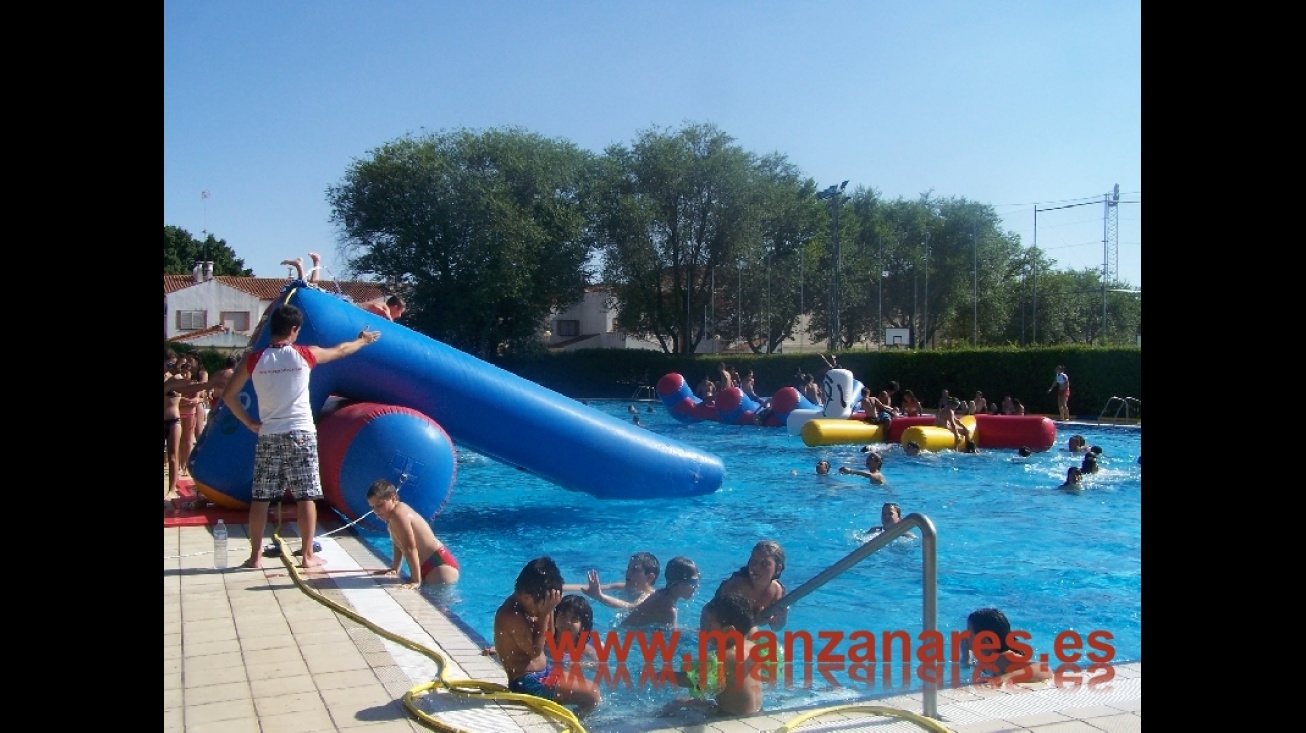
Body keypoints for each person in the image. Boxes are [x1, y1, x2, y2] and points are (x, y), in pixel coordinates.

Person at [222, 304, 382, 569]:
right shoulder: (304, 354)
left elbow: (228, 395)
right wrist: (362, 341)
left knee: (261, 498)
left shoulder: (254, 359)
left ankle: (255, 557)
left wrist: (250, 422)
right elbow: (341, 351)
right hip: (300, 433)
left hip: (270, 433)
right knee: (305, 496)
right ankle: (308, 556)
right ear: (294, 330)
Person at [493, 557, 601, 714]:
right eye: (542, 604)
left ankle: (576, 721)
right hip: (527, 682)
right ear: (526, 596)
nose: (540, 610)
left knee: (590, 685)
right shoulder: (511, 615)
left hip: (544, 673)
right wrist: (544, 614)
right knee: (592, 693)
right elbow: (535, 652)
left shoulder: (529, 602)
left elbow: (549, 636)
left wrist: (550, 609)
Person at [657, 592, 764, 717]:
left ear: (729, 631)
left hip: (729, 719)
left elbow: (692, 680)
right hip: (755, 712)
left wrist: (662, 675)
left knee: (673, 707)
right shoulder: (751, 646)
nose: (703, 629)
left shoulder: (725, 656)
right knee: (684, 701)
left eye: (708, 624)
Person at [366, 479, 460, 588]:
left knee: (437, 603)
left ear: (393, 498)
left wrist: (415, 580)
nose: (376, 511)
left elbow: (410, 547)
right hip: (434, 564)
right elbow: (398, 543)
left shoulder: (399, 515)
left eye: (379, 505)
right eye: (372, 507)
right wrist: (395, 569)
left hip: (438, 565)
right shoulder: (394, 515)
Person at [960, 607, 1053, 685]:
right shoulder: (984, 656)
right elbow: (967, 667)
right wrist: (965, 656)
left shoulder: (1002, 658)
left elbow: (1044, 669)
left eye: (969, 632)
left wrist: (1004, 678)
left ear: (985, 641)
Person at [715, 540, 788, 630]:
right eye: (754, 561)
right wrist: (755, 622)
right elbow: (721, 622)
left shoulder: (778, 592)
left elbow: (775, 627)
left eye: (764, 563)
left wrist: (782, 617)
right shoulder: (736, 587)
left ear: (778, 568)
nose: (756, 567)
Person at [619, 556, 700, 628]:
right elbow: (674, 638)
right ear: (676, 584)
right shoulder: (668, 609)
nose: (697, 586)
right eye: (693, 582)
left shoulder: (661, 594)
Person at [567, 551, 660, 610]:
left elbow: (633, 607)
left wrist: (600, 597)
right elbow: (588, 589)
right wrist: (558, 587)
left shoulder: (650, 596)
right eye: (628, 568)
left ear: (649, 577)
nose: (628, 573)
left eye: (635, 569)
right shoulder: (621, 587)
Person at [551, 594, 600, 663]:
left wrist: (582, 665)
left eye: (574, 618)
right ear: (555, 617)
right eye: (563, 615)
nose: (567, 621)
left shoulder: (584, 649)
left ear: (582, 627)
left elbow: (599, 664)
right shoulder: (545, 642)